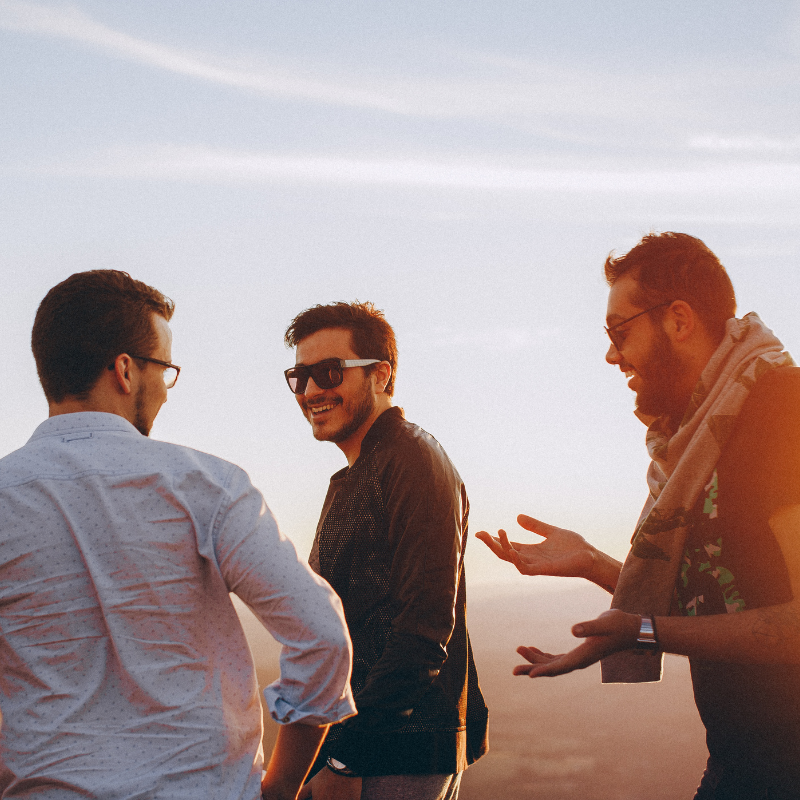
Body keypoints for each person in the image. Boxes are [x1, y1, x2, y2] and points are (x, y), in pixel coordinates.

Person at [0, 270, 356, 800]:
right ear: (125, 370)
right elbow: (322, 636)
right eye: (164, 369)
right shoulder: (206, 486)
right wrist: (280, 787)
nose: (166, 390)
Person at [478, 232, 800, 799]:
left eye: (619, 331)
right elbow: (722, 594)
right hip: (740, 759)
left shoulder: (781, 408)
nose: (610, 354)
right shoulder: (699, 437)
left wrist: (646, 630)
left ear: (679, 320)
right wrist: (595, 565)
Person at [283, 302, 488, 800]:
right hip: (363, 747)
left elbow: (423, 627)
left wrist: (346, 756)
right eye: (299, 376)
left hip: (393, 753)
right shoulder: (362, 471)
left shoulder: (412, 459)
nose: (311, 390)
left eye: (330, 372)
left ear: (382, 375)